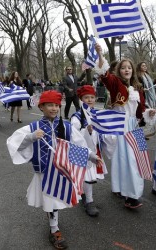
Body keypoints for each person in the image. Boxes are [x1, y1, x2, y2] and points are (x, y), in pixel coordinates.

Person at [6, 90, 99, 249]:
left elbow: (78, 144)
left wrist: (91, 156)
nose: (54, 108)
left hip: (61, 172)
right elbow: (14, 144)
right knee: (50, 202)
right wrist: (31, 137)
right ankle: (54, 229)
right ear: (41, 106)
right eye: (50, 105)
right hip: (44, 172)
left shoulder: (67, 127)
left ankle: (53, 225)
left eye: (57, 105)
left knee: (56, 200)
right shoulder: (33, 128)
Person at [95, 43, 156, 209]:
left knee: (138, 159)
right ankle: (130, 195)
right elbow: (104, 74)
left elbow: (141, 110)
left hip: (134, 127)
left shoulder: (138, 88)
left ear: (133, 70)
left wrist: (148, 113)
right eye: (123, 68)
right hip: (120, 127)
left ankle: (128, 191)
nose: (127, 70)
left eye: (129, 67)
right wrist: (100, 54)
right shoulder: (115, 84)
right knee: (125, 160)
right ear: (119, 71)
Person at [70, 85, 108, 217]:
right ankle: (89, 201)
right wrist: (87, 131)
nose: (90, 100)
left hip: (94, 149)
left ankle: (85, 195)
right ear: (81, 99)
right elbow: (74, 136)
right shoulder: (77, 117)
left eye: (92, 97)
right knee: (88, 177)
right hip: (83, 152)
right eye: (86, 97)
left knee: (89, 176)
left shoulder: (97, 114)